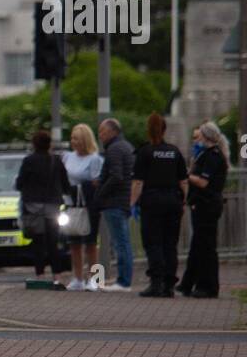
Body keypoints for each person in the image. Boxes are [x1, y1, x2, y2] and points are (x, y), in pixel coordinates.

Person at [130, 112, 188, 298]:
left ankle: (156, 283)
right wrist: (184, 201)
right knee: (170, 243)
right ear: (164, 129)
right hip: (173, 201)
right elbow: (183, 181)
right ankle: (169, 285)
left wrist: (130, 204)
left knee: (153, 243)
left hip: (152, 202)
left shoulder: (144, 152)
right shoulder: (174, 151)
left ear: (148, 130)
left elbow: (138, 183)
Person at [177, 121, 229, 298]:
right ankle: (188, 283)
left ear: (206, 137)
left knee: (206, 247)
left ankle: (208, 286)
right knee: (198, 245)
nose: (195, 140)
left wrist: (185, 175)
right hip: (200, 205)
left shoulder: (212, 157)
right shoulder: (205, 155)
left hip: (207, 206)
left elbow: (203, 182)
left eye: (197, 137)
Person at [15, 129, 71, 286]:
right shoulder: (57, 161)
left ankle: (39, 275)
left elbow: (20, 183)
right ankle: (57, 275)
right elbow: (65, 184)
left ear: (34, 144)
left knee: (38, 242)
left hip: (33, 207)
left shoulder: (28, 161)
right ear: (49, 144)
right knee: (53, 242)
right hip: (53, 207)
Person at [95, 117, 136, 291]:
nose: (100, 136)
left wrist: (100, 192)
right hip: (123, 200)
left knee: (121, 243)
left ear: (112, 131)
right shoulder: (126, 147)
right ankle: (123, 279)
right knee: (123, 241)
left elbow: (117, 176)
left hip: (115, 202)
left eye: (102, 132)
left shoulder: (115, 149)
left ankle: (123, 281)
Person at [62, 123, 104, 291]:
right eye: (72, 138)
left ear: (85, 140)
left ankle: (96, 279)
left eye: (77, 138)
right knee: (74, 242)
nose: (74, 142)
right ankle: (77, 278)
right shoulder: (67, 157)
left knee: (91, 243)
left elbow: (96, 182)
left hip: (89, 205)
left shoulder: (94, 159)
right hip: (71, 204)